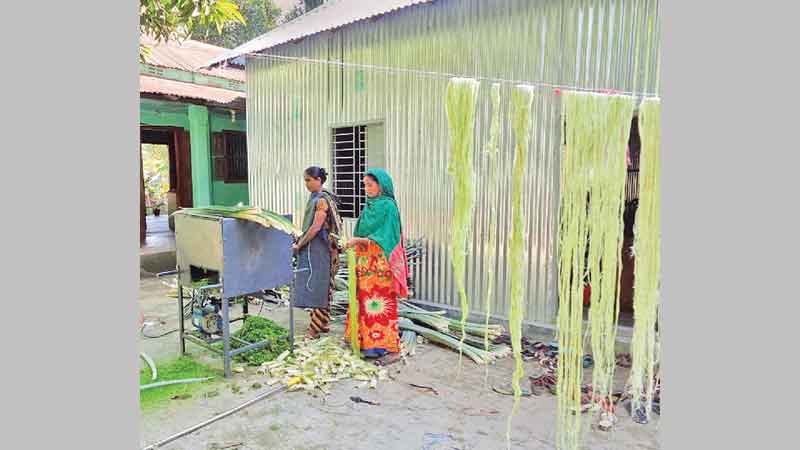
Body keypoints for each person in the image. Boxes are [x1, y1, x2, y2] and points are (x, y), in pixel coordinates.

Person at [344, 168, 409, 358]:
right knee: (361, 300)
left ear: (381, 186)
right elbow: (361, 231)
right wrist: (355, 243)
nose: (366, 189)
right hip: (364, 262)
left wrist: (358, 241)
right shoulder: (369, 206)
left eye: (370, 185)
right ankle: (361, 339)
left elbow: (386, 237)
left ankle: (378, 345)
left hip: (380, 265)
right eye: (364, 185)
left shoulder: (388, 207)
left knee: (376, 303)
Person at [292, 166, 343, 339]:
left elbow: (315, 227)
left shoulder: (322, 200)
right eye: (305, 180)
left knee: (318, 286)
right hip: (316, 247)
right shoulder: (315, 197)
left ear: (318, 180)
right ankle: (324, 323)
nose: (306, 184)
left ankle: (314, 330)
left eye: (308, 180)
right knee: (322, 285)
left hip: (321, 248)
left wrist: (300, 244)